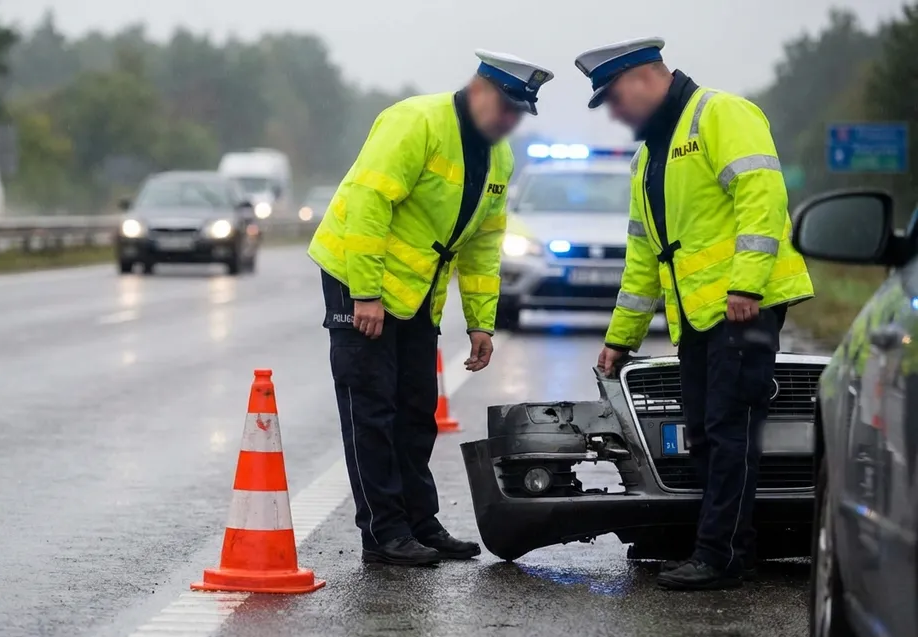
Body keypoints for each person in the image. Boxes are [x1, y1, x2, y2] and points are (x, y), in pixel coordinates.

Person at [574, 38, 814, 590]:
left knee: (729, 431)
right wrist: (621, 338)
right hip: (699, 318)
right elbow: (643, 258)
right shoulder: (650, 157)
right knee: (706, 435)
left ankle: (720, 553)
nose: (615, 112)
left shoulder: (720, 114)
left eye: (614, 99)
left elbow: (762, 195)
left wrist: (747, 285)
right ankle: (728, 545)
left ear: (642, 79)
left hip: (740, 309)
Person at [307, 50, 554, 566]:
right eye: (506, 109)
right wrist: (366, 295)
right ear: (479, 90)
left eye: (518, 114)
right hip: (359, 275)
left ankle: (420, 522)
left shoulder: (498, 157)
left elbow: (485, 244)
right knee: (372, 408)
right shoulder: (415, 121)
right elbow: (368, 205)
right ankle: (383, 532)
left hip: (418, 294)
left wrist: (482, 321)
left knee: (417, 410)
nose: (510, 121)